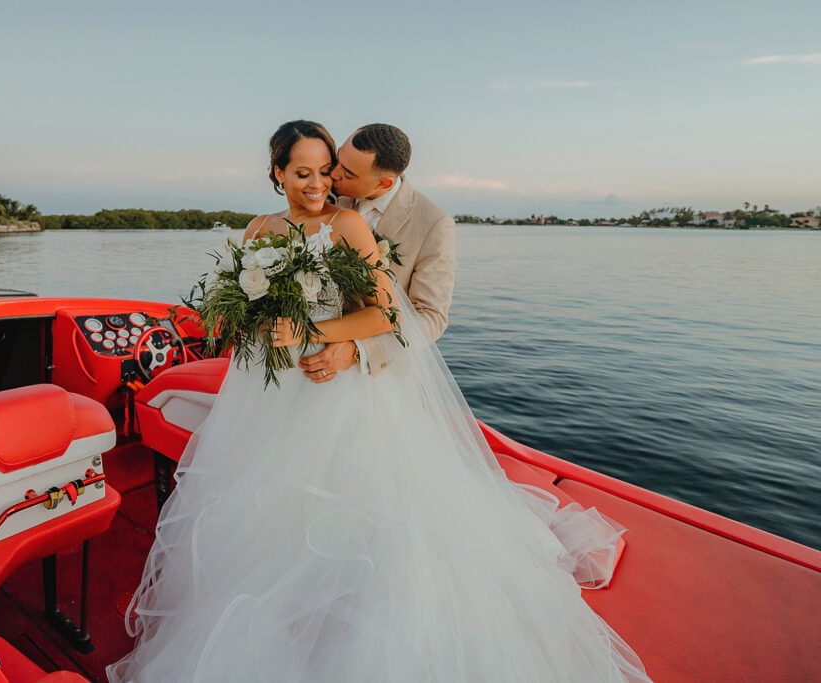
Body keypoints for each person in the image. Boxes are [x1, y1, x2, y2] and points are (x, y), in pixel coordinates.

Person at [108, 120, 650, 682]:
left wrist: (343, 346)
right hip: (269, 391)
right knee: (264, 508)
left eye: (339, 171)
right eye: (318, 169)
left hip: (352, 384)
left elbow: (418, 317)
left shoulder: (413, 222)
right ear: (279, 172)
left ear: (383, 179)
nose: (330, 180)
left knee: (362, 515)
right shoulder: (277, 219)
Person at [298, 123, 456, 381]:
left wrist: (359, 350)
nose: (333, 173)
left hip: (378, 375)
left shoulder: (433, 223)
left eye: (348, 173)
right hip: (307, 356)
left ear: (384, 182)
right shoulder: (324, 196)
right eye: (338, 159)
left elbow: (431, 316)